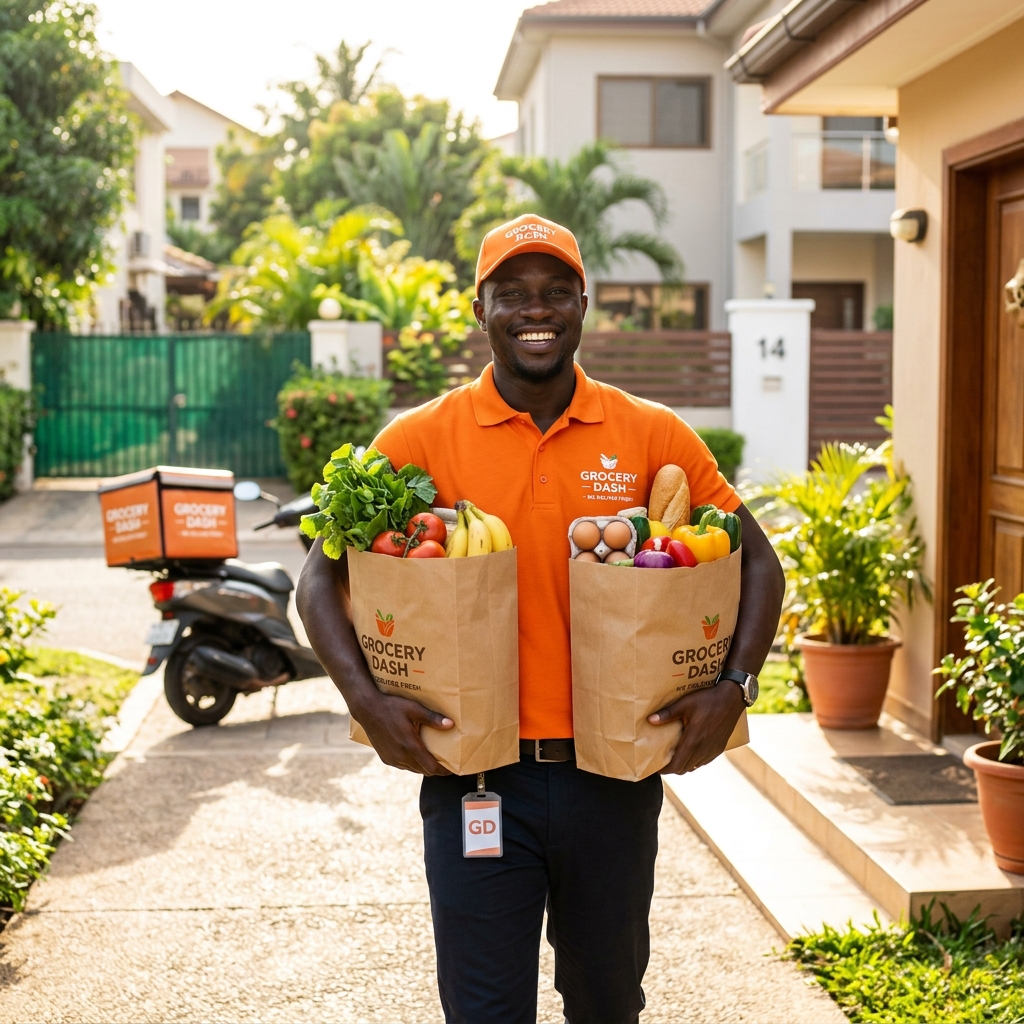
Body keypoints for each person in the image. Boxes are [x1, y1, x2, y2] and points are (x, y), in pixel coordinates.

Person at [296, 213, 785, 1024]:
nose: (537, 310)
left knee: (606, 1001)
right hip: (473, 777)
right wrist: (367, 703)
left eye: (557, 292)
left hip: (613, 777)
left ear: (584, 305)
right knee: (484, 1009)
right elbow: (320, 579)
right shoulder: (421, 437)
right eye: (513, 294)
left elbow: (761, 562)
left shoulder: (650, 432)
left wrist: (734, 685)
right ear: (477, 309)